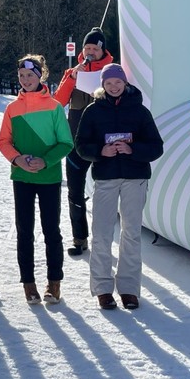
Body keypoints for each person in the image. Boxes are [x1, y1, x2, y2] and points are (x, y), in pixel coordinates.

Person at [75, 63, 163, 311]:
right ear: (102, 85)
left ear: (125, 83)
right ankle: (103, 288)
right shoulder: (93, 111)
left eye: (118, 82)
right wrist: (100, 151)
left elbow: (156, 146)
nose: (114, 87)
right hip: (106, 177)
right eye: (109, 83)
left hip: (135, 178)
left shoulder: (140, 111)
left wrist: (132, 149)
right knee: (102, 233)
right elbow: (81, 145)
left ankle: (129, 288)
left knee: (131, 233)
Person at [0, 55, 73, 304]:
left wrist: (46, 161)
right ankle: (28, 284)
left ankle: (54, 283)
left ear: (40, 76)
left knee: (51, 230)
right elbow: (3, 141)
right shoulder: (12, 109)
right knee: (24, 231)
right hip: (22, 178)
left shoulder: (54, 107)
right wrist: (16, 159)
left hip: (49, 177)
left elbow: (66, 143)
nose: (25, 79)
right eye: (21, 76)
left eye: (30, 75)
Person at [54, 27, 114, 256]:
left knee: (105, 193)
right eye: (87, 47)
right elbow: (58, 102)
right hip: (76, 142)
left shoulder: (111, 71)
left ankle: (103, 239)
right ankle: (80, 238)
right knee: (75, 191)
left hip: (104, 144)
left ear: (102, 50)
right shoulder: (73, 72)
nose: (90, 52)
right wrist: (72, 78)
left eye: (94, 48)